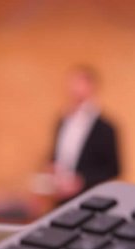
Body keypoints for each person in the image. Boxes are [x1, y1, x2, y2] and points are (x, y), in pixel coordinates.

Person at [49, 65, 120, 203]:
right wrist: (52, 166)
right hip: (60, 197)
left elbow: (113, 169)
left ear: (91, 86)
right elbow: (57, 154)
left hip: (89, 197)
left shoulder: (106, 128)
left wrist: (82, 181)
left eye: (78, 83)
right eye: (71, 83)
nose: (73, 88)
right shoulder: (63, 120)